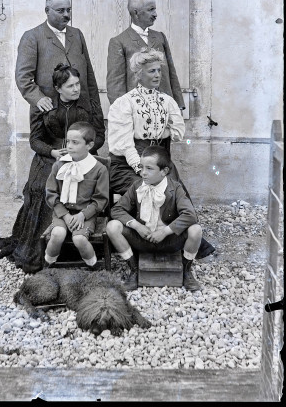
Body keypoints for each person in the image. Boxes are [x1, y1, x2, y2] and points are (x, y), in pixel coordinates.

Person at [0, 64, 105, 273]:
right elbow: (35, 141)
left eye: (78, 84)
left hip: (82, 156)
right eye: (70, 86)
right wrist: (53, 152)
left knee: (84, 183)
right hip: (50, 157)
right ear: (58, 88)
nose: (76, 89)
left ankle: (81, 245)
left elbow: (99, 136)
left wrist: (81, 151)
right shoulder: (42, 106)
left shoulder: (89, 105)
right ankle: (45, 249)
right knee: (43, 186)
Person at [107, 47, 215, 260]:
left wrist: (163, 131)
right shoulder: (125, 103)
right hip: (128, 163)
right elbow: (126, 145)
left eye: (158, 71)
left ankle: (179, 242)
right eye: (151, 71)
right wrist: (142, 169)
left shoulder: (166, 101)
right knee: (145, 190)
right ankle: (143, 240)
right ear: (139, 74)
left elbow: (177, 131)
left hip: (159, 159)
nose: (157, 75)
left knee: (177, 192)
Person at [107, 145, 203, 291]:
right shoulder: (137, 186)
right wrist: (137, 226)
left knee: (196, 230)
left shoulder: (175, 188)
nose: (143, 173)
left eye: (149, 169)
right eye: (141, 167)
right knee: (112, 226)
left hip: (169, 240)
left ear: (164, 171)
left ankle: (186, 271)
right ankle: (133, 269)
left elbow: (190, 215)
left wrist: (165, 232)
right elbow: (117, 209)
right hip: (143, 238)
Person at [15, 0, 101, 113]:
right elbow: (23, 77)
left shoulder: (77, 34)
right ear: (47, 11)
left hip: (81, 111)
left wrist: (96, 110)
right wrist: (38, 98)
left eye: (68, 10)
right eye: (60, 11)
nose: (66, 14)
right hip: (49, 112)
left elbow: (89, 76)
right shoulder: (32, 37)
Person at [44, 122, 109, 270]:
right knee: (57, 234)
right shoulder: (59, 165)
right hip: (62, 212)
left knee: (79, 239)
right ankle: (47, 265)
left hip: (85, 214)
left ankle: (93, 266)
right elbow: (51, 193)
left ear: (89, 145)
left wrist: (83, 215)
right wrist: (65, 215)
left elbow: (100, 199)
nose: (70, 146)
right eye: (68, 141)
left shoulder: (99, 169)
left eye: (75, 142)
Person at [106, 0, 185, 109]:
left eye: (155, 9)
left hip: (164, 107)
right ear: (136, 13)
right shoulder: (119, 42)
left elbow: (172, 73)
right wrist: (122, 111)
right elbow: (115, 83)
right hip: (138, 109)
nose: (155, 14)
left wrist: (178, 105)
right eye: (151, 9)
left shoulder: (160, 37)